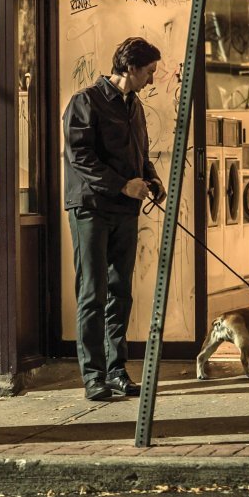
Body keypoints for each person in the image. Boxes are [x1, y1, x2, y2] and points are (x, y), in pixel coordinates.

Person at [63, 37, 166, 401]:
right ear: (131, 68)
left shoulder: (133, 106)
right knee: (93, 292)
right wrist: (123, 185)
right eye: (150, 72)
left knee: (120, 290)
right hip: (90, 207)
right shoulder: (85, 102)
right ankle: (94, 376)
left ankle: (117, 369)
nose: (152, 79)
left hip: (124, 210)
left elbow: (140, 151)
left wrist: (151, 178)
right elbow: (80, 157)